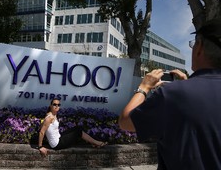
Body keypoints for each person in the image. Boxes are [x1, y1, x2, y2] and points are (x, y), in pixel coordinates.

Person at [118, 18, 221, 170]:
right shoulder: (179, 91)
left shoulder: (173, 94)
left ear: (199, 48)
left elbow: (125, 122)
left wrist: (144, 87)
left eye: (193, 44)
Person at [37, 98, 108, 156]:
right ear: (50, 106)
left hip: (59, 137)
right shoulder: (49, 118)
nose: (56, 106)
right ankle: (97, 143)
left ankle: (94, 143)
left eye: (58, 105)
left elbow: (42, 125)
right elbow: (42, 132)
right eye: (54, 104)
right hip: (57, 144)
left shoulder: (52, 114)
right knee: (78, 132)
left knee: (76, 128)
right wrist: (40, 147)